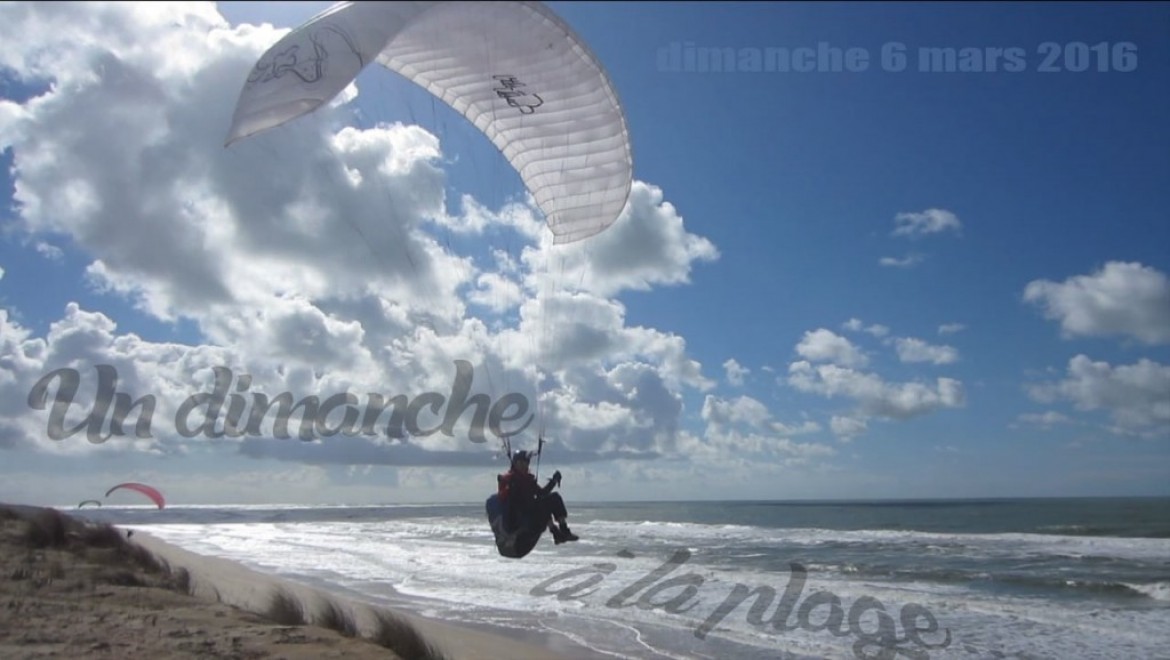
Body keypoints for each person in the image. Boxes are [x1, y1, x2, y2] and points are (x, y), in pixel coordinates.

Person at [499, 449, 579, 546]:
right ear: (516, 463)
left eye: (527, 463)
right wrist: (510, 487)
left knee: (553, 498)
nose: (526, 466)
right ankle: (556, 532)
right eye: (523, 463)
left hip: (531, 515)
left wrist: (553, 481)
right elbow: (503, 498)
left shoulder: (527, 479)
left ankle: (563, 530)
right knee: (541, 502)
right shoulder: (509, 478)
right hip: (519, 519)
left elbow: (542, 493)